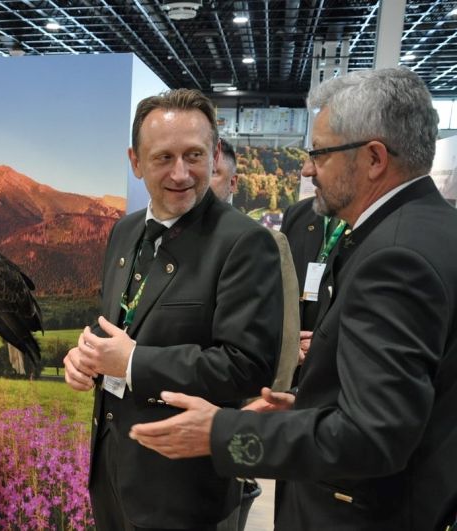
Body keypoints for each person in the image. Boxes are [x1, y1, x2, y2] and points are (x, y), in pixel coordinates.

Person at [129, 67, 457, 531]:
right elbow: (402, 399)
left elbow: (375, 436)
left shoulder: (395, 257)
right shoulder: (432, 230)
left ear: (374, 158)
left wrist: (222, 433)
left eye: (319, 153)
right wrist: (308, 406)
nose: (306, 169)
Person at [63, 88, 283, 530]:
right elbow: (121, 323)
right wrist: (86, 357)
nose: (181, 173)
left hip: (182, 488)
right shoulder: (125, 232)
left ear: (215, 156)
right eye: (164, 157)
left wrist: (133, 363)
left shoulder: (244, 242)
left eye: (194, 155)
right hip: (111, 470)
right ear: (135, 162)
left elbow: (247, 365)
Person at [210, 139, 301, 531]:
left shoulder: (263, 241)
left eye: (214, 172)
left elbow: (285, 339)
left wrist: (254, 421)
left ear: (233, 182)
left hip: (231, 416)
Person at [280, 195, 346, 370]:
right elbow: (277, 283)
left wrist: (323, 345)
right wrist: (285, 340)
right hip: (289, 360)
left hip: (335, 363)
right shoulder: (298, 213)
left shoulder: (369, 221)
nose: (315, 182)